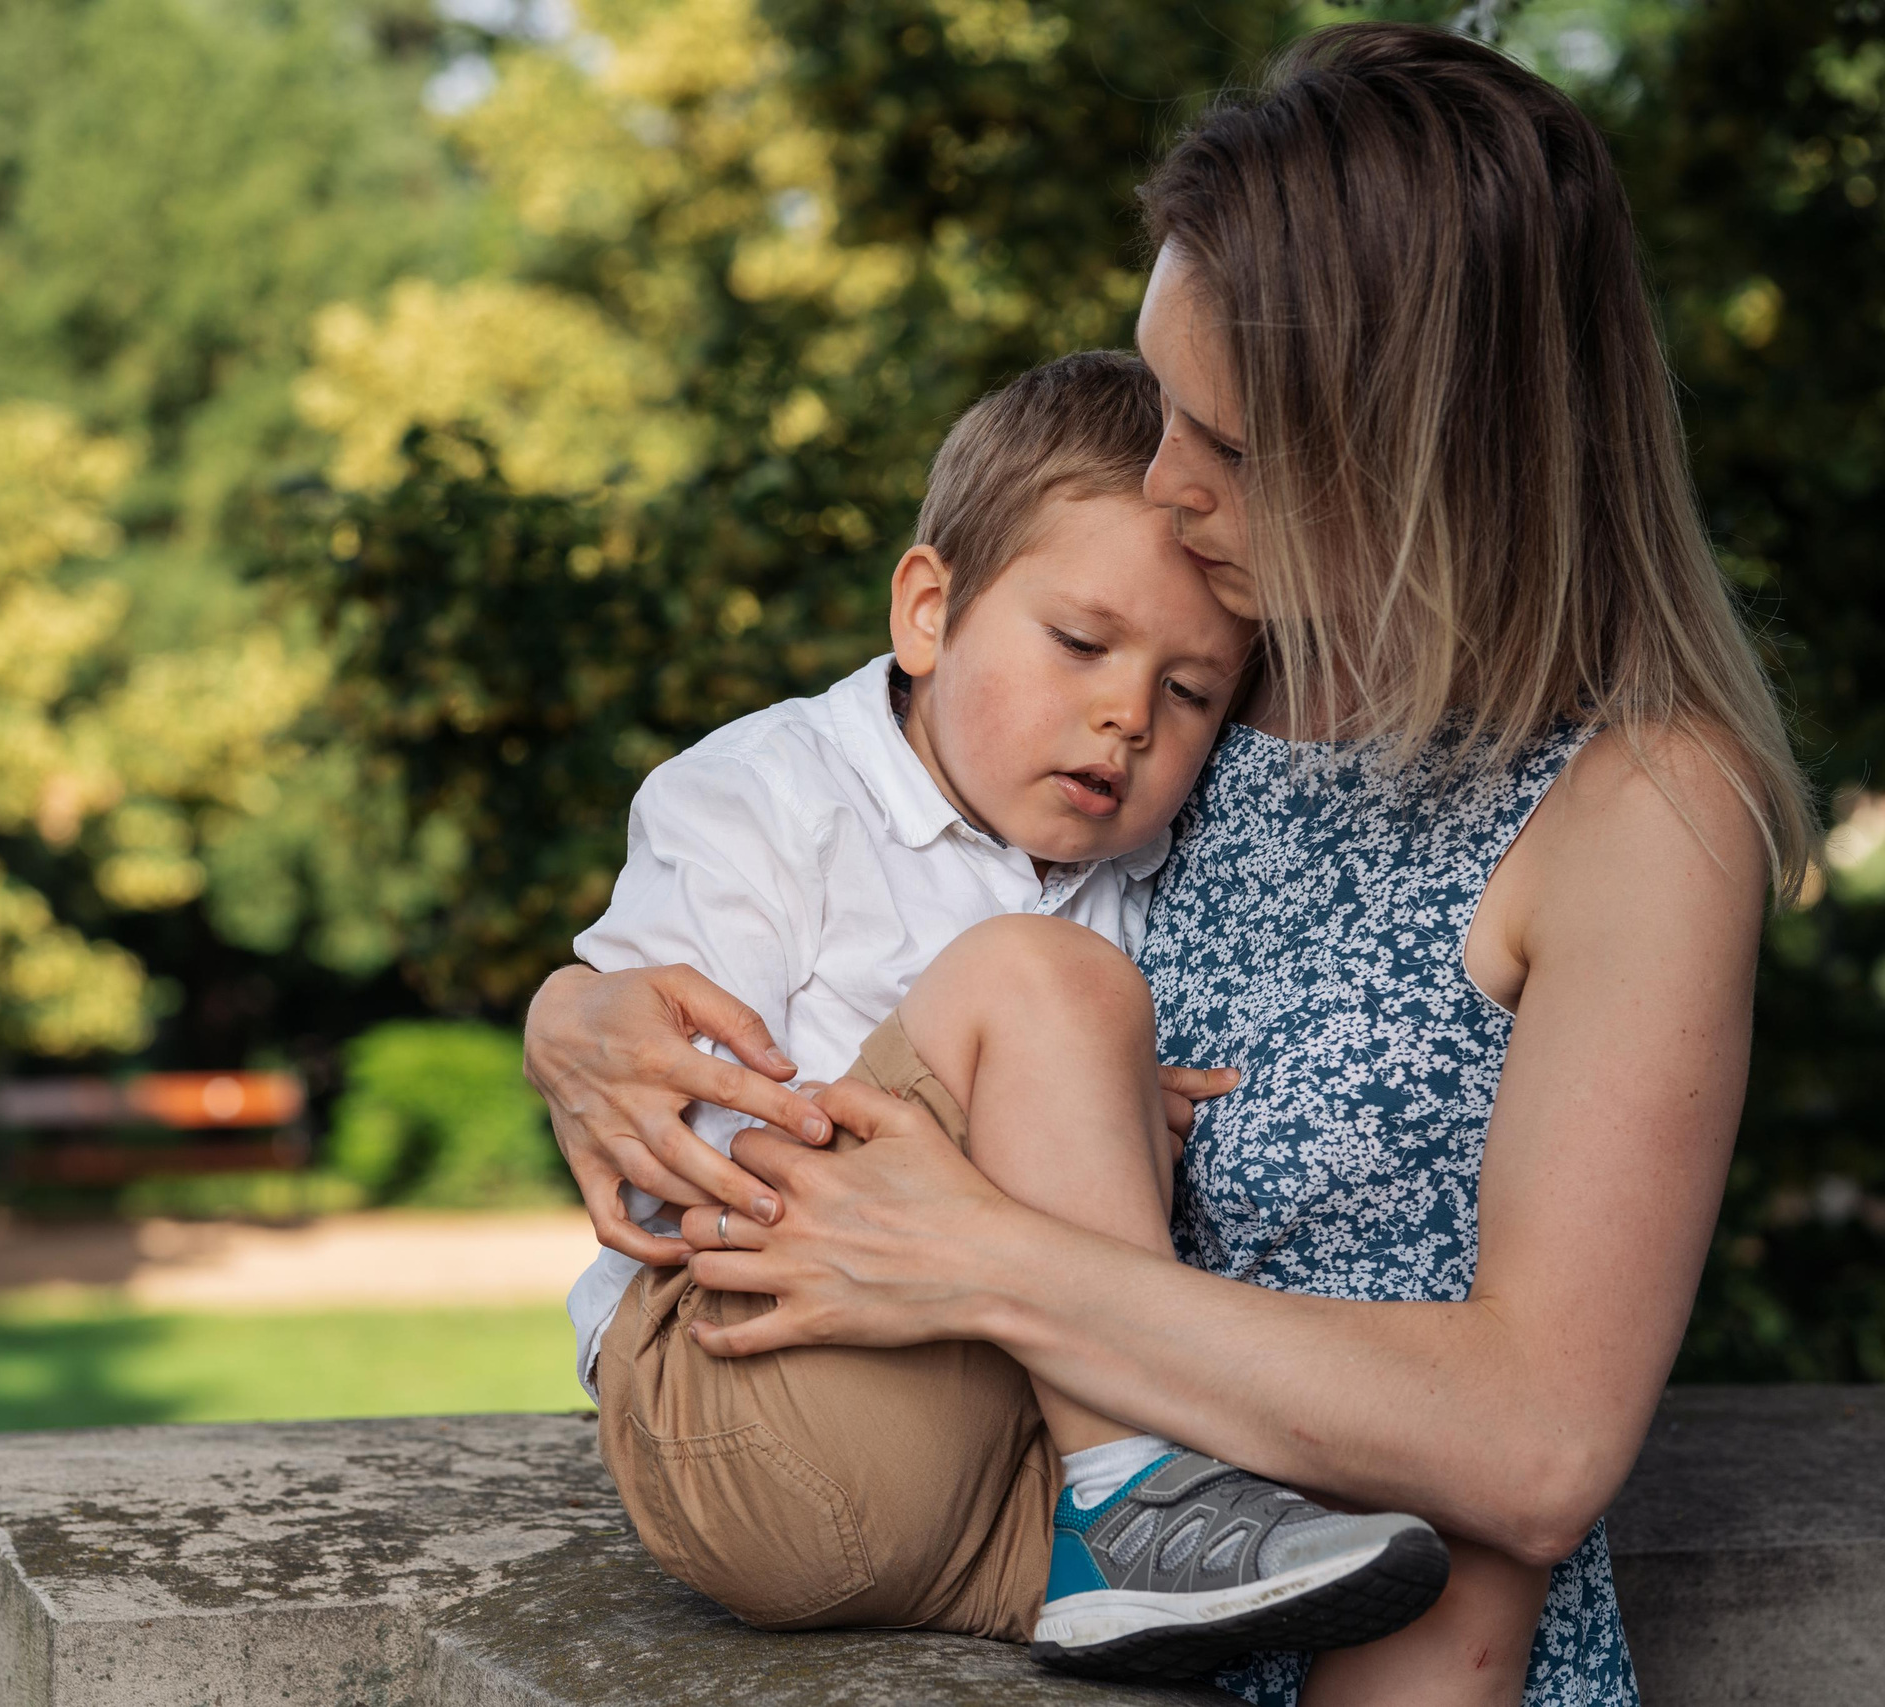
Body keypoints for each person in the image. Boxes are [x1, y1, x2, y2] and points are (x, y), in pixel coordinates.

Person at [523, 23, 1814, 1707]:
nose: (1160, 479)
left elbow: (1539, 1444)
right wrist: (577, 1013)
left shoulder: (1639, 804)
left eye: (1227, 442)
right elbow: (838, 856)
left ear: (1418, 447)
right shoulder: (1185, 669)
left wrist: (983, 1258)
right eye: (1163, 402)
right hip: (1024, 1587)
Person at [570, 349, 1452, 1680]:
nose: (1126, 714)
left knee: (1374, 1516)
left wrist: (1091, 1119)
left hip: (986, 1485)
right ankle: (1134, 1497)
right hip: (749, 1377)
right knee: (1037, 977)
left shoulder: (1160, 878)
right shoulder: (763, 798)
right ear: (928, 611)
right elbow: (680, 1150)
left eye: (1193, 692)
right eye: (1083, 644)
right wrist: (1027, 1097)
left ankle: (1119, 1555)